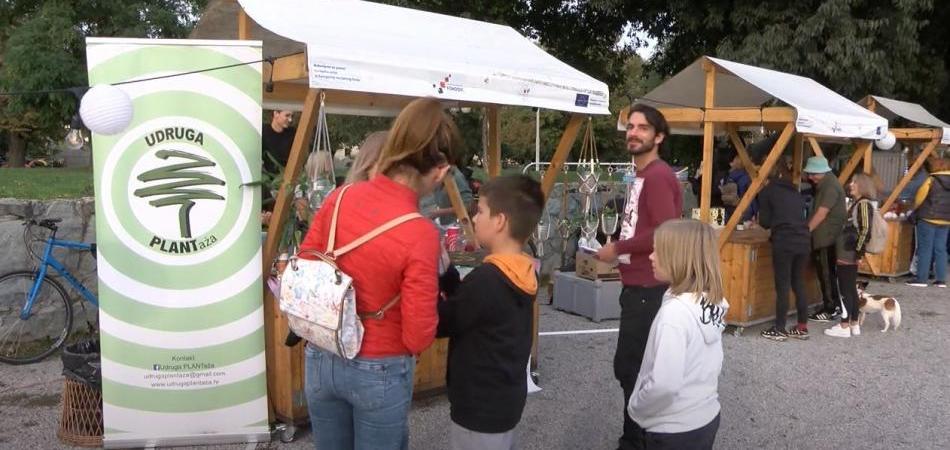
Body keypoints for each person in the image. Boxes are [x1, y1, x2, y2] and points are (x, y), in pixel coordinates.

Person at [298, 98, 458, 450]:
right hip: (379, 366)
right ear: (441, 169)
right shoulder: (420, 233)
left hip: (322, 354)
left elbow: (305, 265)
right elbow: (417, 336)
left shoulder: (340, 197)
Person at [596, 103, 683, 450]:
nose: (633, 132)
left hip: (649, 287)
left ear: (658, 136)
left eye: (642, 128)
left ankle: (636, 441)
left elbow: (665, 231)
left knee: (633, 369)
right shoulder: (640, 175)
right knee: (633, 368)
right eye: (630, 126)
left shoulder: (659, 175)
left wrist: (617, 249)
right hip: (637, 285)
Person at [436, 175, 542, 450]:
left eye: (480, 211)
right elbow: (470, 306)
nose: (474, 218)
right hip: (503, 400)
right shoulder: (521, 270)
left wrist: (423, 279)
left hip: (478, 408)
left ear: (500, 221)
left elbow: (444, 320)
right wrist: (447, 272)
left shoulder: (487, 279)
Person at [627, 219, 727, 450]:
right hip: (704, 417)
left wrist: (637, 407)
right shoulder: (708, 302)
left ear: (679, 258)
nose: (651, 257)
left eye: (658, 251)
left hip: (671, 430)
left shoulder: (673, 316)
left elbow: (664, 385)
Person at [757, 160, 812, 341]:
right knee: (798, 282)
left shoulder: (766, 192)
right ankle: (802, 326)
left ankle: (780, 328)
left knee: (783, 285)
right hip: (803, 240)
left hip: (784, 240)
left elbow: (765, 222)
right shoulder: (794, 191)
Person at [825, 173, 876, 338]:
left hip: (848, 252)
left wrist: (859, 252)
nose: (851, 184)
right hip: (849, 251)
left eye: (855, 182)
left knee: (845, 289)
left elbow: (865, 229)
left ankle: (844, 325)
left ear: (862, 185)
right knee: (851, 289)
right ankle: (854, 323)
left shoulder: (862, 204)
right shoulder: (858, 204)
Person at [803, 156, 847, 322]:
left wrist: (806, 231)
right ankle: (832, 304)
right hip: (828, 235)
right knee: (827, 273)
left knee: (826, 274)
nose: (811, 177)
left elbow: (821, 213)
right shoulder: (828, 182)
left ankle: (831, 308)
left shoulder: (829, 186)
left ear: (822, 172)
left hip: (826, 237)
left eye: (813, 174)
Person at [907, 157, 950, 288]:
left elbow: (920, 198)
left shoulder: (931, 180)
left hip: (927, 218)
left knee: (925, 248)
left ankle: (921, 279)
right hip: (946, 220)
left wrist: (913, 209)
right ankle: (941, 280)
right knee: (941, 249)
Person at [718, 153, 754, 222]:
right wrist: (755, 212)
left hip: (730, 208)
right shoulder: (746, 177)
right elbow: (751, 196)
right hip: (745, 209)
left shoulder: (727, 177)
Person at [262, 109, 296, 174]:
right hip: (267, 177)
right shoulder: (263, 131)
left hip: (287, 175)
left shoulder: (293, 133)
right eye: (287, 115)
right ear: (276, 114)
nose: (290, 120)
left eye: (292, 116)